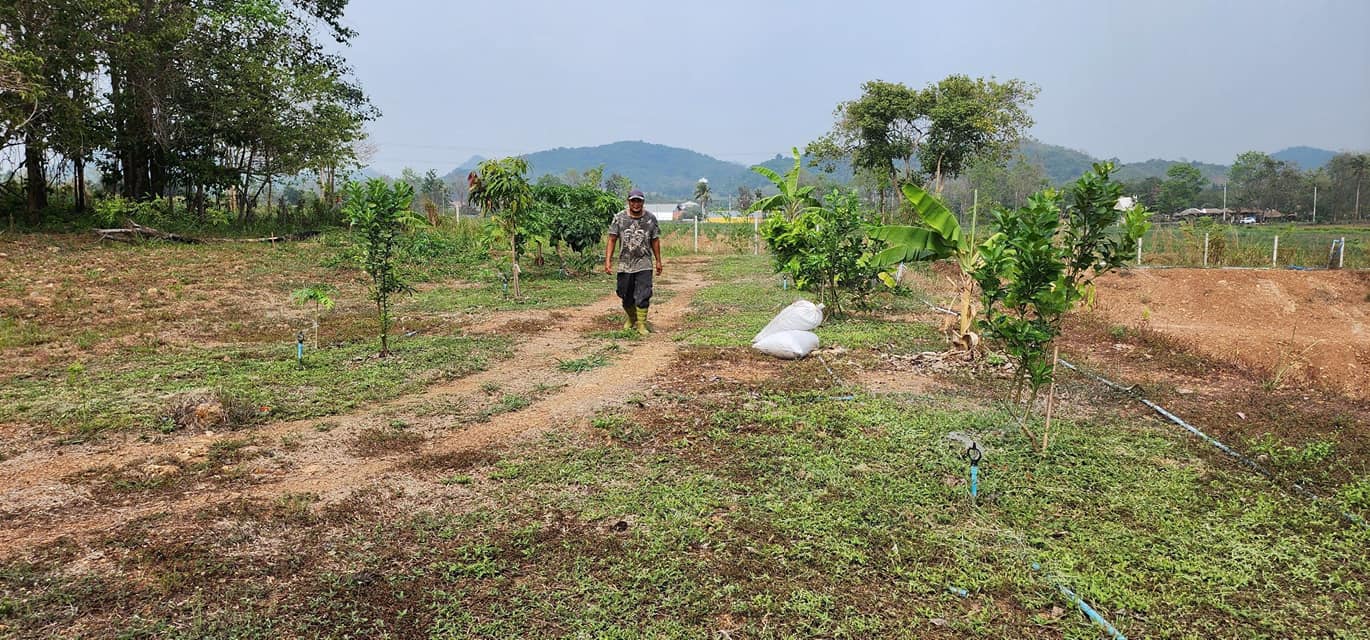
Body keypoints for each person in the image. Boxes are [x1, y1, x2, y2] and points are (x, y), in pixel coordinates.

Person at [604, 189, 663, 335]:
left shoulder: (650, 219)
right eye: (633, 201)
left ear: (643, 202)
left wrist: (658, 261)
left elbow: (655, 240)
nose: (636, 204)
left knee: (644, 293)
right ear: (628, 202)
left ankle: (642, 324)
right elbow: (612, 239)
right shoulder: (619, 218)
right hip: (625, 264)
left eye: (639, 201)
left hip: (644, 263)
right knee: (625, 293)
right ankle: (632, 318)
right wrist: (608, 261)